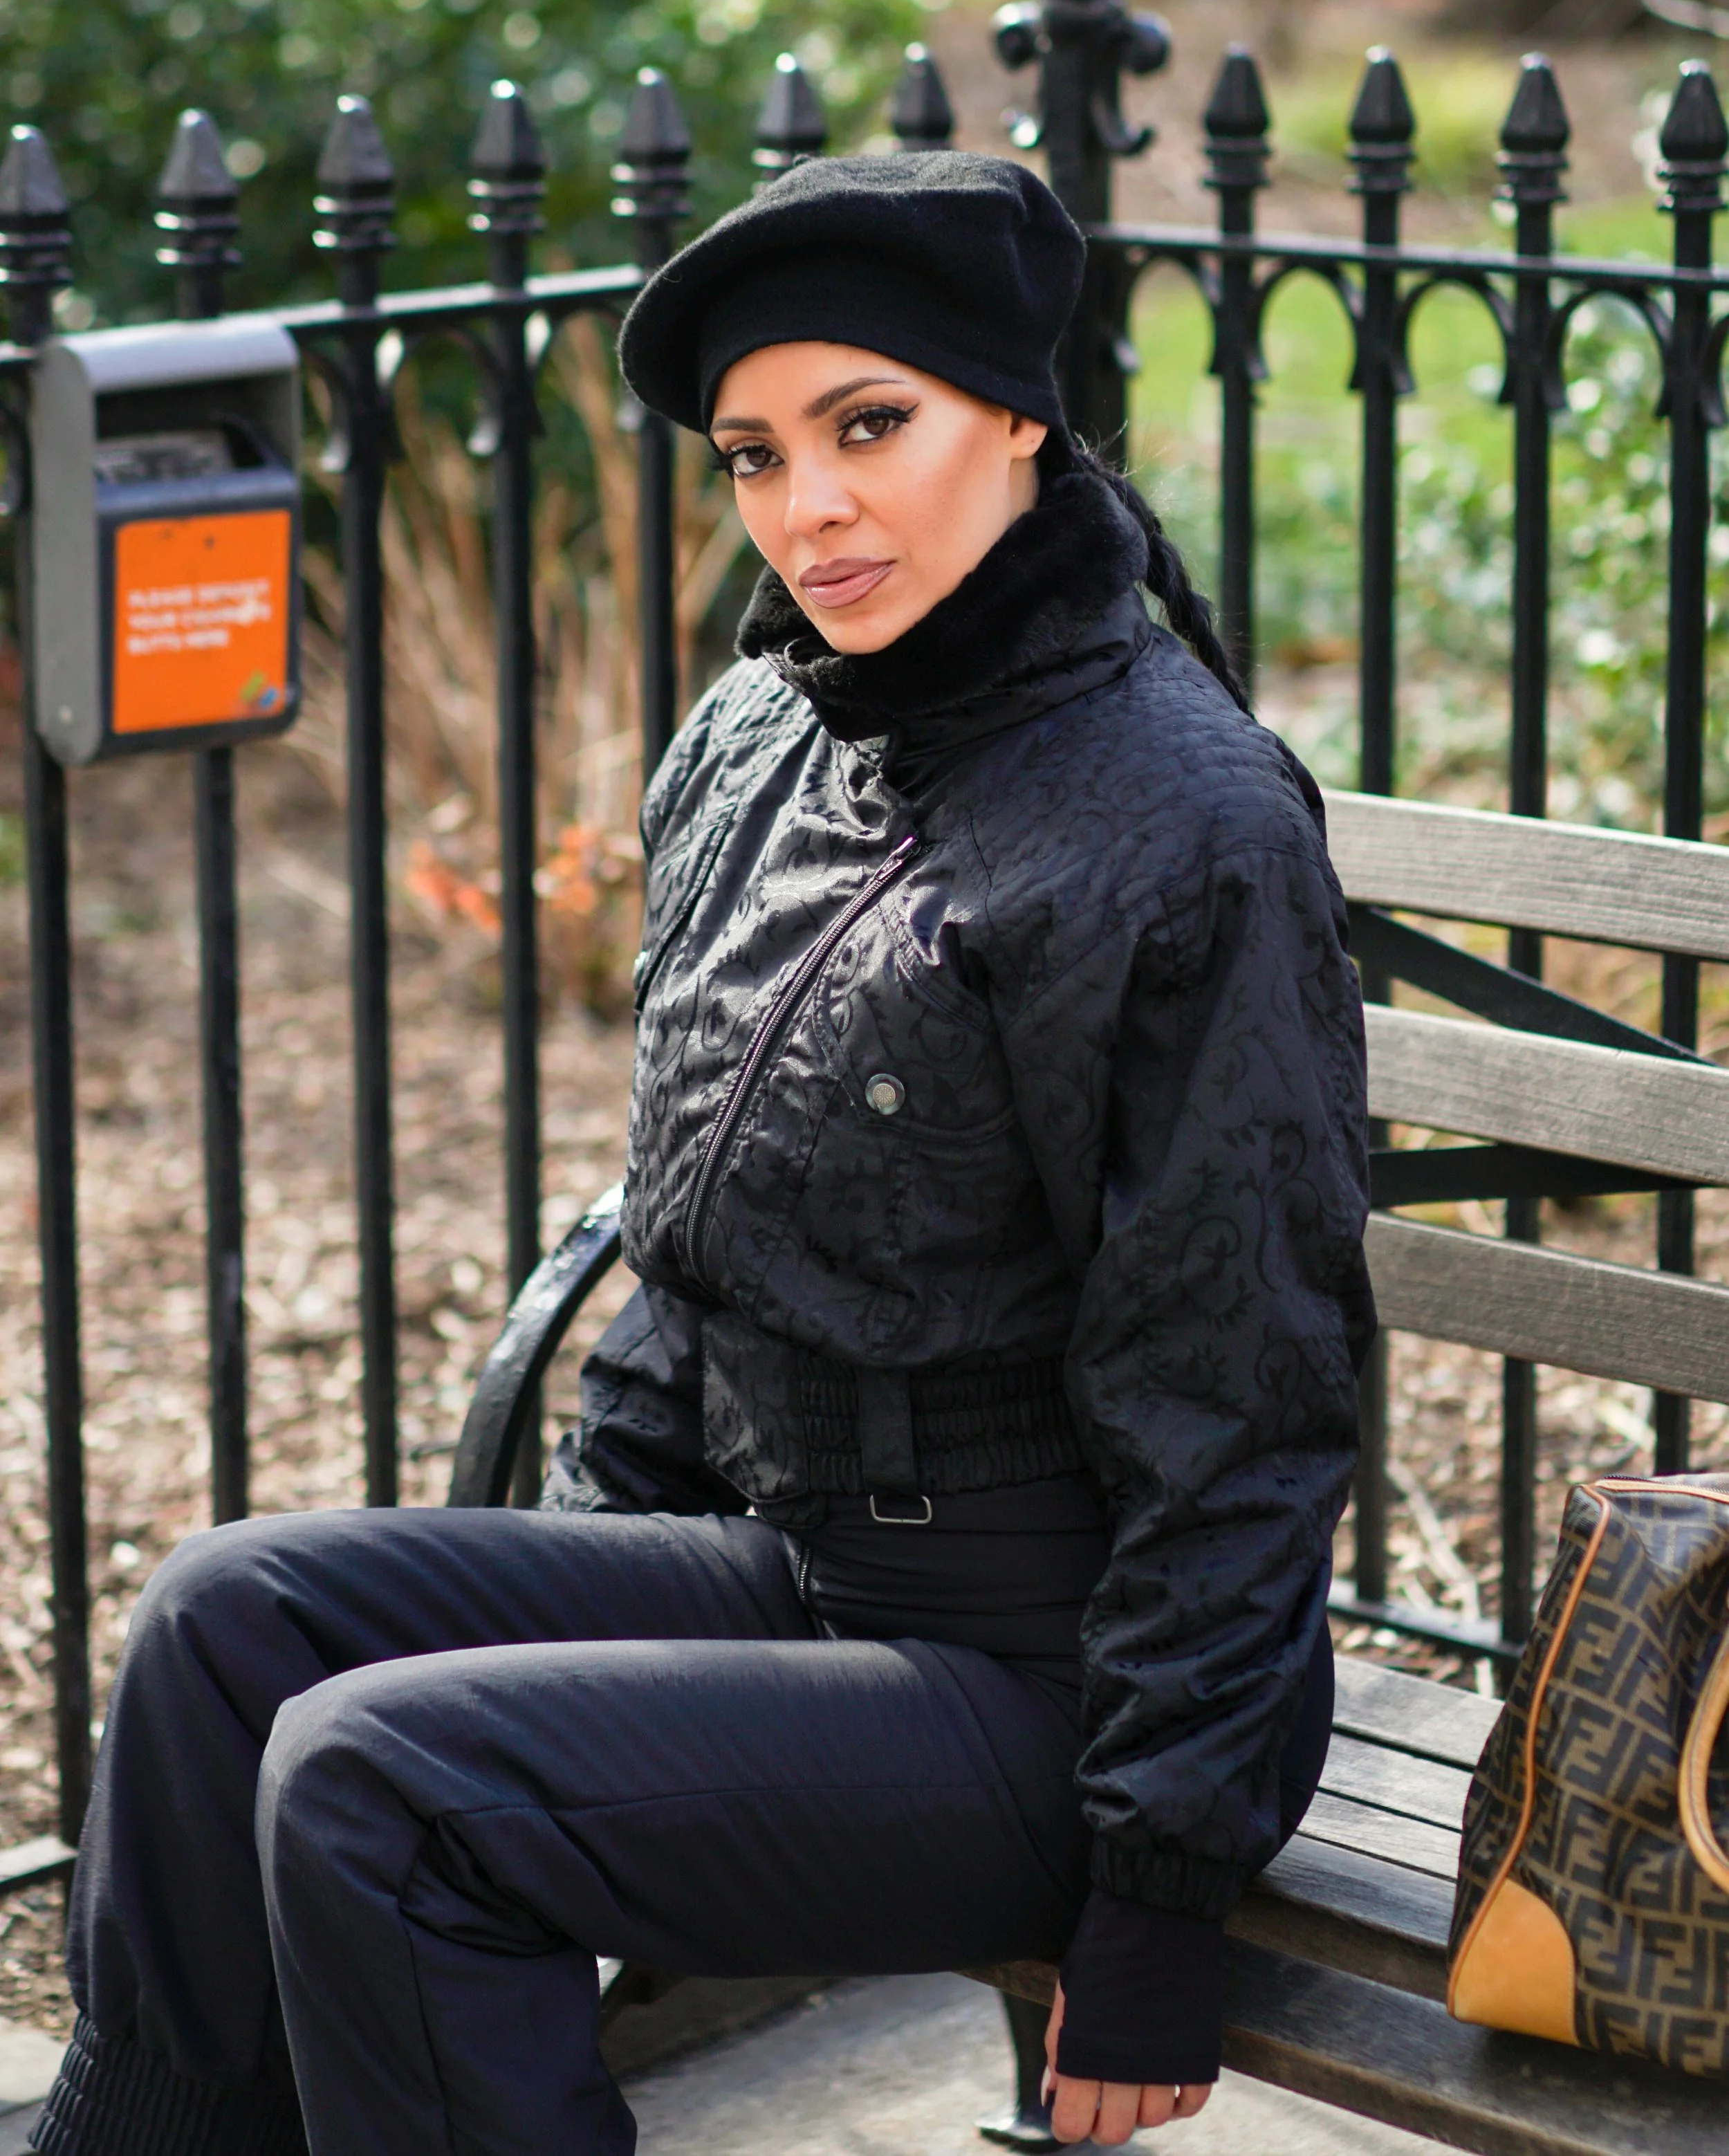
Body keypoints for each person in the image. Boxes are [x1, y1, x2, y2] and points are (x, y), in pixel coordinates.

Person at [32, 150, 1372, 2156]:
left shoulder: (1184, 821)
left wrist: (1155, 1892)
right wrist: (582, 1596)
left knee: (379, 1788)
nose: (808, 504)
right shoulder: (762, 726)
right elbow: (702, 1227)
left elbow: (1244, 1392)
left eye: (868, 425)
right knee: (230, 1624)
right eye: (754, 453)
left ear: (1016, 410)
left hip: (1051, 1683)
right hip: (805, 1573)